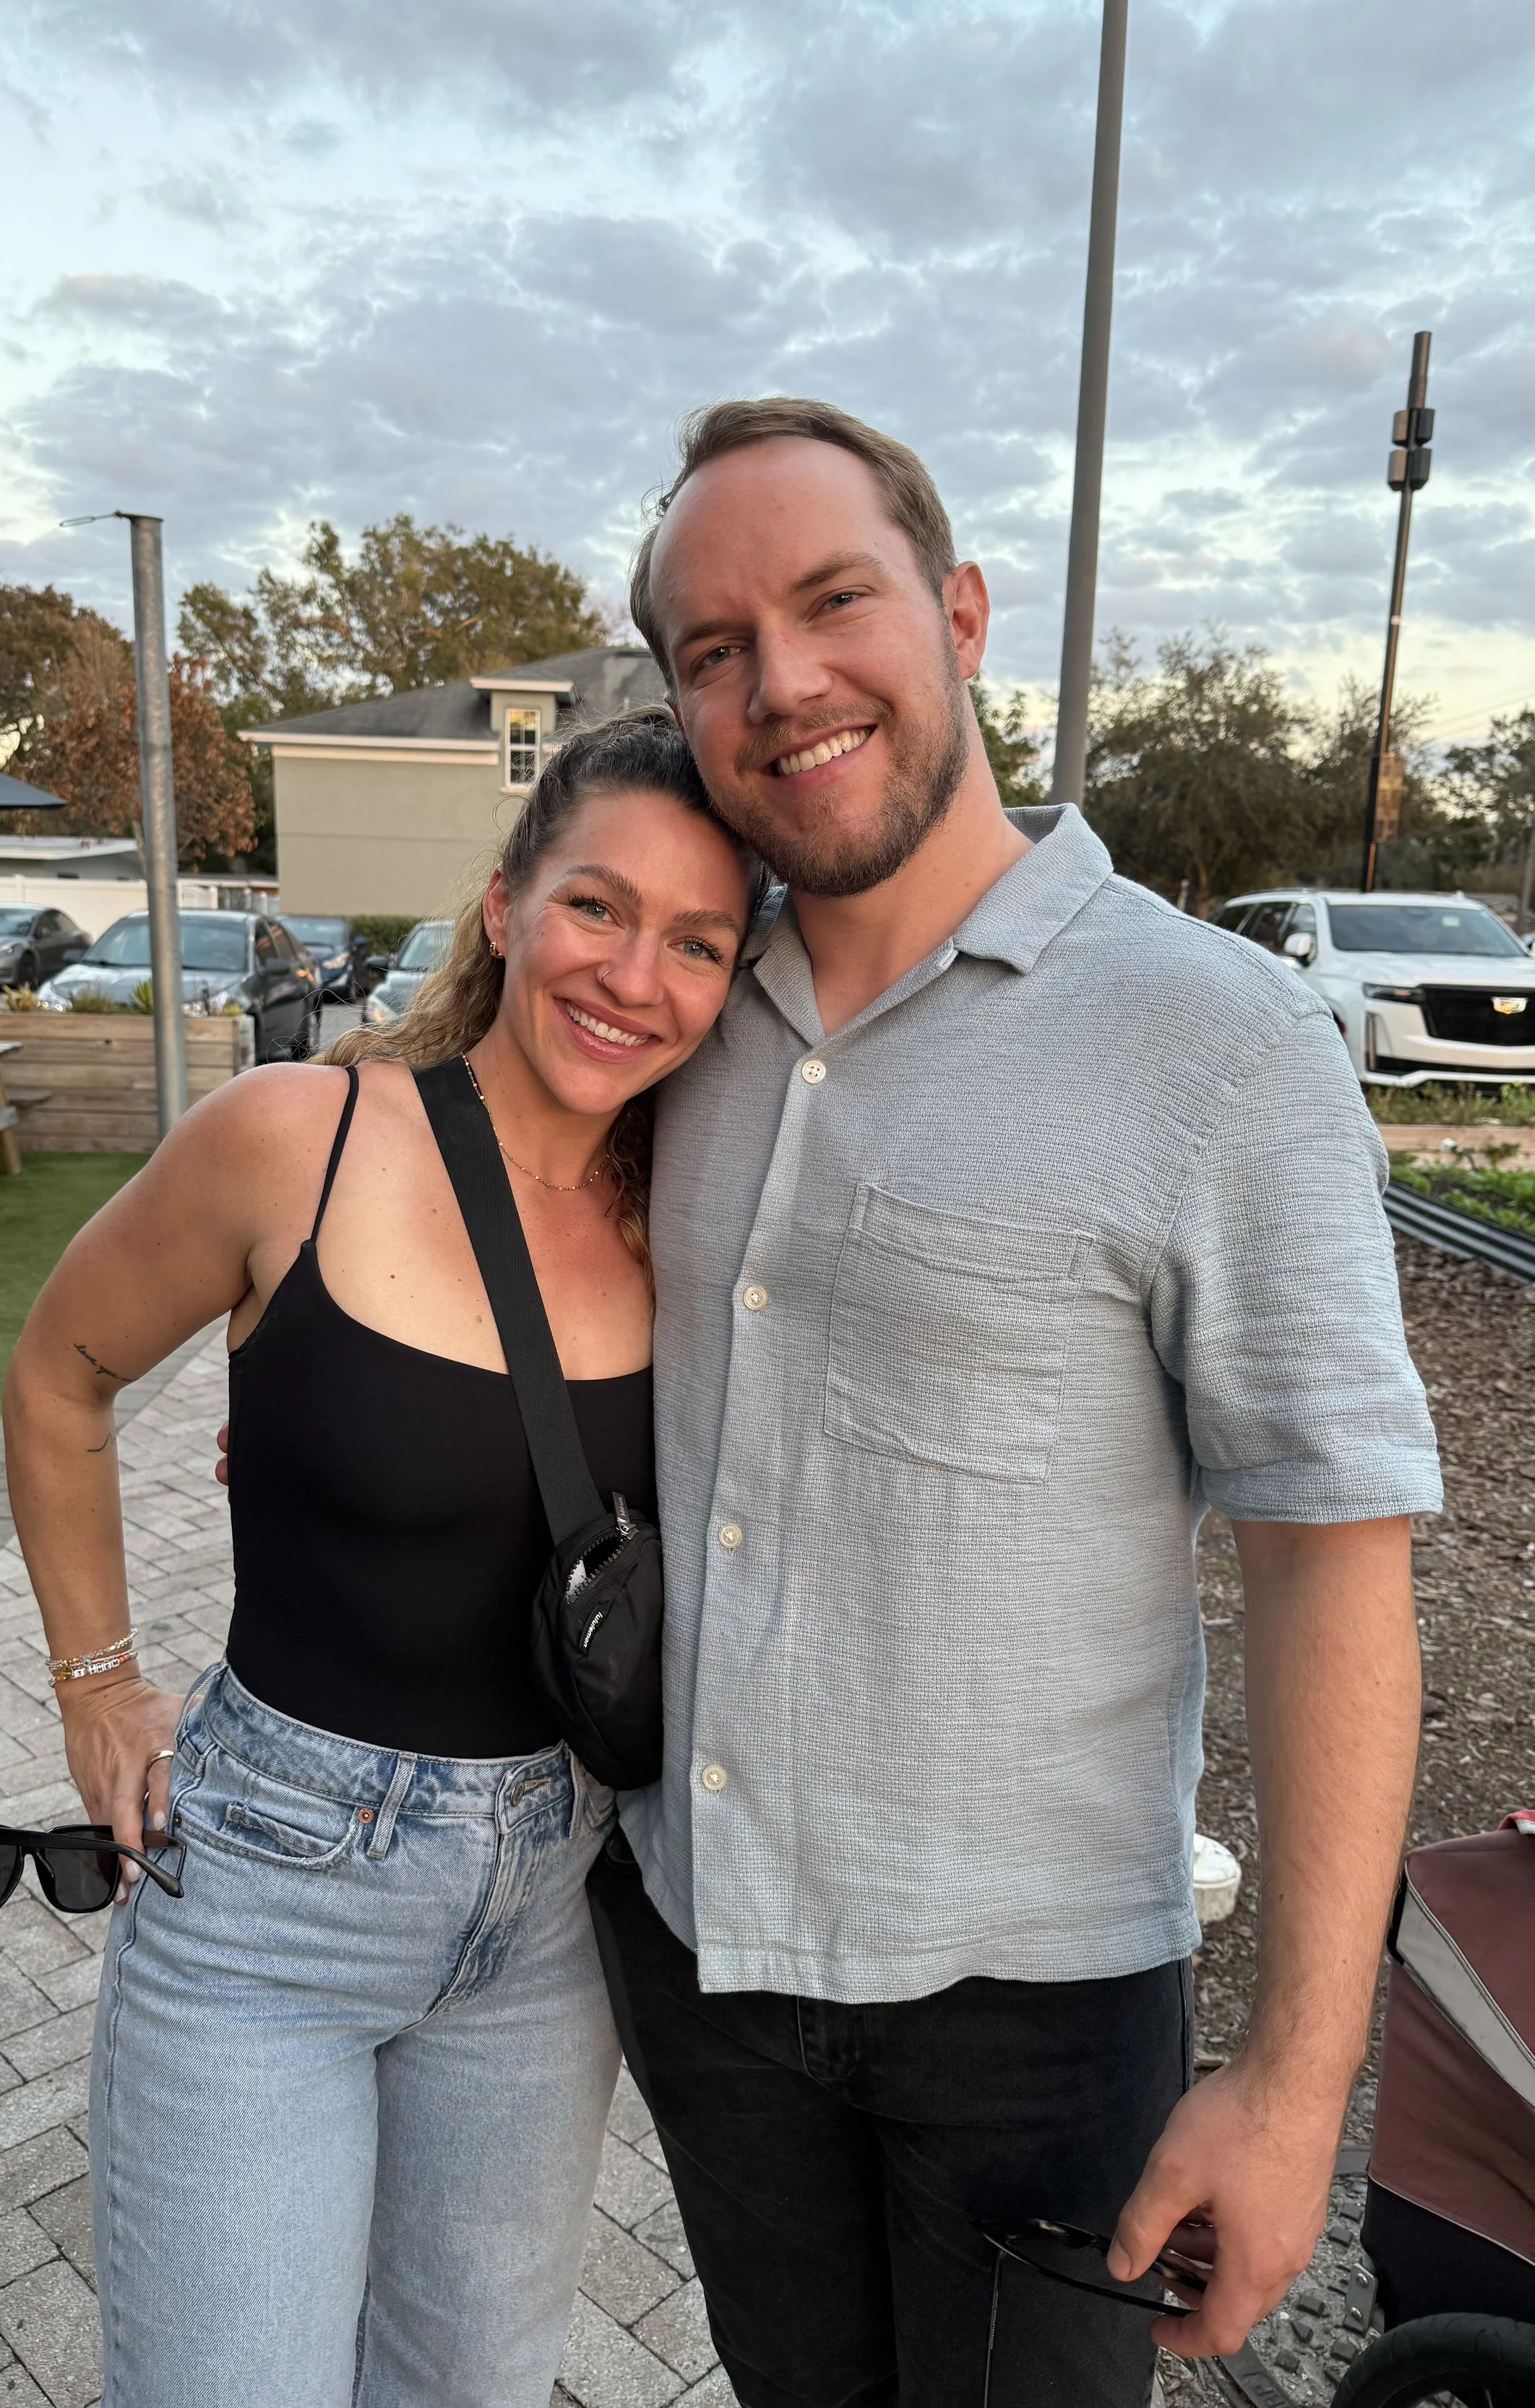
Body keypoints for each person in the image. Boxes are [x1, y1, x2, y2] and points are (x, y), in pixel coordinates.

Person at [574, 400, 1442, 2407]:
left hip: (1031, 2018)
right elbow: (495, 1218)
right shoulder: (686, 1003)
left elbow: (1334, 1565)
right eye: (710, 649)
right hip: (700, 1952)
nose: (777, 682)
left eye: (828, 601)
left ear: (958, 614)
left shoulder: (1215, 1041)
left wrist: (1295, 2076)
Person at [1, 711, 760, 2408]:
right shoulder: (301, 1138)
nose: (635, 974)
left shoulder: (701, 1216)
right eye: (597, 907)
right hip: (269, 1901)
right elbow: (58, 1370)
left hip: (550, 1918)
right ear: (502, 905)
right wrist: (95, 1683)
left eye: (697, 941)